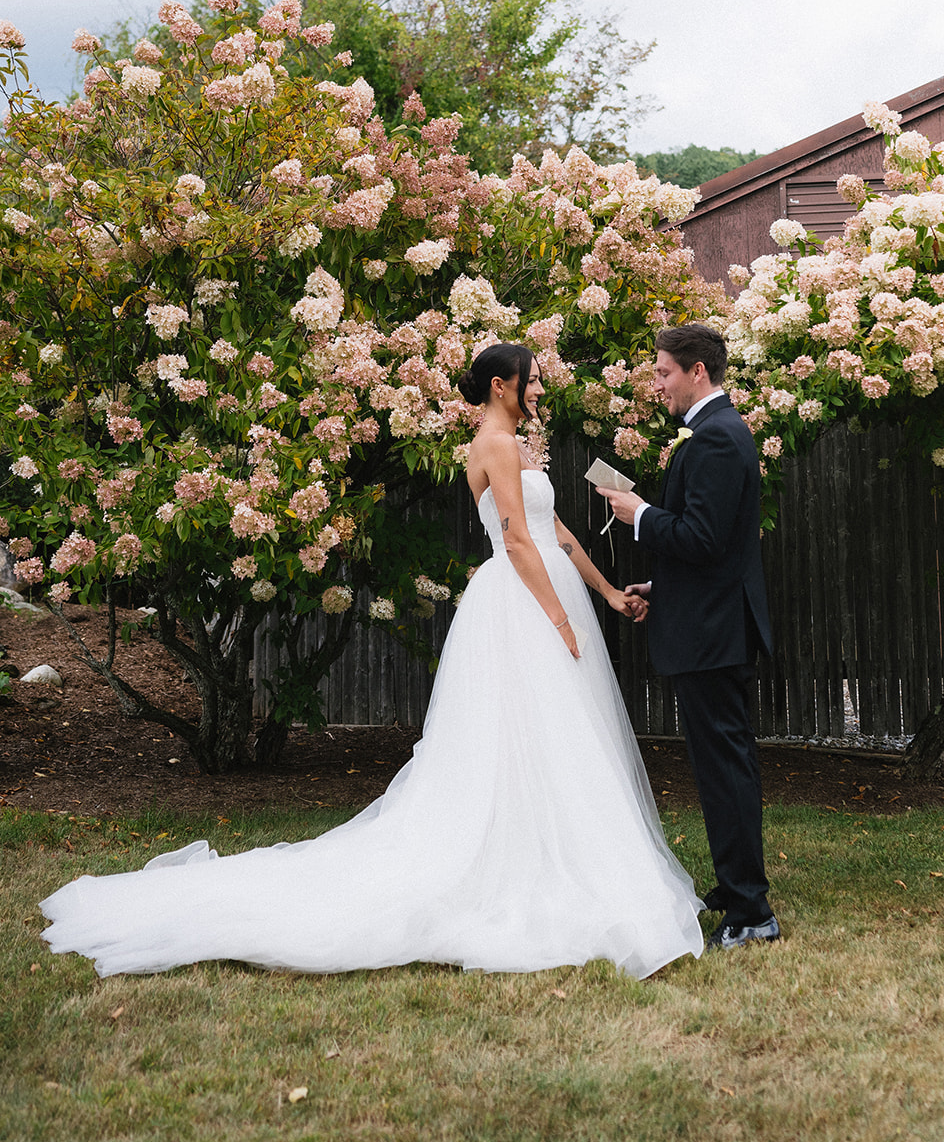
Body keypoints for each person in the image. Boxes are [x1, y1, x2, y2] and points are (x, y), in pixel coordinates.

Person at [40, 344, 704, 980]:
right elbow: (518, 542)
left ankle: (560, 853)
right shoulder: (494, 445)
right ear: (500, 386)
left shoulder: (521, 446)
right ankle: (524, 861)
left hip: (549, 592)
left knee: (558, 734)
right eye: (530, 379)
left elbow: (555, 532)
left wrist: (606, 593)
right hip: (523, 605)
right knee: (520, 733)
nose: (538, 389)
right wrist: (558, 620)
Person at [598, 323, 779, 950]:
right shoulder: (713, 432)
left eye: (663, 372)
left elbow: (701, 538)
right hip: (707, 620)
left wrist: (640, 515)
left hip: (713, 634)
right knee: (721, 764)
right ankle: (735, 888)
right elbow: (716, 549)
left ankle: (752, 911)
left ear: (697, 371)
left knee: (725, 768)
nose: (657, 385)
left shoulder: (717, 438)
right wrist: (662, 586)